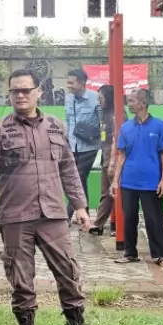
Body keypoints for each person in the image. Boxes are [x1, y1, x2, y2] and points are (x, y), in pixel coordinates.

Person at [0, 68, 91, 325]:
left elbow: (68, 168)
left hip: (53, 213)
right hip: (15, 214)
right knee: (20, 275)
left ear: (39, 92)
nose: (21, 95)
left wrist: (81, 206)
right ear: (10, 94)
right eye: (15, 91)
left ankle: (76, 324)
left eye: (26, 90)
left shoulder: (55, 126)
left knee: (67, 269)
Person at [110, 88, 163, 268]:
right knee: (129, 218)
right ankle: (130, 253)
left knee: (154, 219)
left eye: (131, 101)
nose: (129, 104)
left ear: (143, 103)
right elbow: (121, 155)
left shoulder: (159, 125)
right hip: (129, 181)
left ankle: (160, 255)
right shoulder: (126, 127)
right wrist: (116, 180)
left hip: (151, 182)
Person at [64, 68, 101, 220]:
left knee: (77, 177)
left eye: (71, 83)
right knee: (80, 179)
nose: (69, 86)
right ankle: (83, 213)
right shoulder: (68, 99)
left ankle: (67, 216)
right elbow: (68, 120)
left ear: (82, 83)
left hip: (89, 146)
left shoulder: (96, 98)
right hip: (72, 145)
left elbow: (102, 121)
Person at [90, 85, 124, 236]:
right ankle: (99, 224)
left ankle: (119, 225)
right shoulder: (104, 114)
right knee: (106, 192)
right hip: (105, 157)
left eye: (101, 99)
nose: (99, 102)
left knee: (116, 192)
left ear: (109, 98)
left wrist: (112, 162)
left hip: (114, 158)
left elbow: (117, 138)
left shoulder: (116, 115)